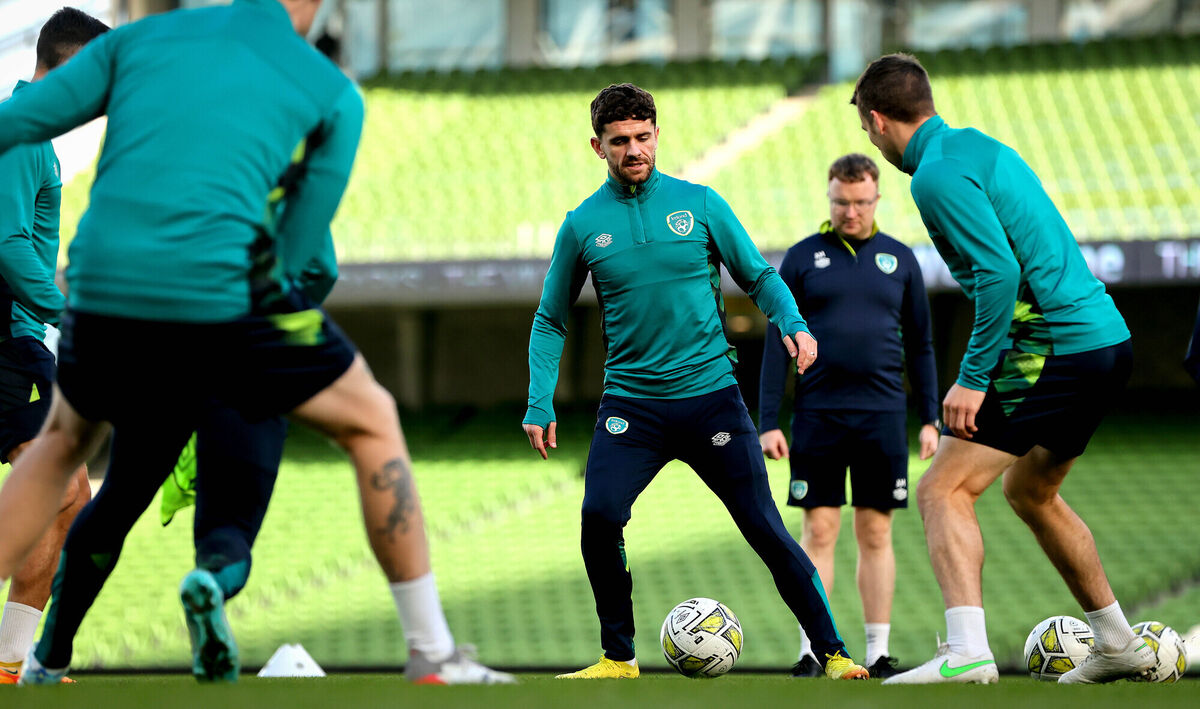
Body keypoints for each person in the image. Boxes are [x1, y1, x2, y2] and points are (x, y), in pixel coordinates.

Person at [0, 0, 511, 686]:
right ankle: (432, 654)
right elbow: (306, 254)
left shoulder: (142, 40)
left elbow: (20, 121)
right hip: (228, 296)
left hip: (102, 286)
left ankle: (40, 658)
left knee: (65, 445)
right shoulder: (330, 91)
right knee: (371, 419)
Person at [522, 83, 869, 681]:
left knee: (764, 527)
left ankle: (833, 653)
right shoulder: (582, 225)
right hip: (632, 407)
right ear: (597, 146)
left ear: (656, 134)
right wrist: (539, 399)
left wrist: (793, 323)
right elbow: (551, 318)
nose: (633, 149)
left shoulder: (701, 204)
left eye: (642, 136)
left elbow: (759, 276)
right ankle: (619, 657)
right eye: (619, 141)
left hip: (712, 401)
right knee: (600, 516)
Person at [851, 53, 1151, 685]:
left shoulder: (932, 176)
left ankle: (966, 653)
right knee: (1030, 491)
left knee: (941, 488)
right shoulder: (979, 147)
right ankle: (1119, 642)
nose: (871, 143)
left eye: (866, 131)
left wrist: (974, 376)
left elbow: (999, 273)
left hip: (1054, 344)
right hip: (1106, 340)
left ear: (878, 121)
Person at [758, 152, 939, 679]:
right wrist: (770, 419)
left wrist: (930, 417)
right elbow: (776, 345)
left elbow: (923, 346)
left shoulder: (901, 259)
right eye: (841, 202)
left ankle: (878, 650)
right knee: (819, 530)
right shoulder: (800, 258)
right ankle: (814, 651)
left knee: (876, 532)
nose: (851, 212)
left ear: (877, 198)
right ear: (829, 197)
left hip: (883, 415)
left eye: (861, 202)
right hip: (818, 415)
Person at [0, 8, 109, 684]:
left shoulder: (29, 135)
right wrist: (68, 317)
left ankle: (12, 660)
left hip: (19, 336)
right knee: (63, 486)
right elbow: (9, 245)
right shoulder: (20, 137)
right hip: (9, 337)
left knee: (68, 492)